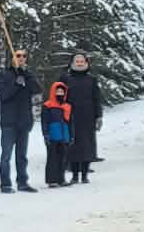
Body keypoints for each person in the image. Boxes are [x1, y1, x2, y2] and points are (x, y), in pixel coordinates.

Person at [0, 49, 39, 194]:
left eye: (24, 56)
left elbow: (37, 89)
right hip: (9, 122)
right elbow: (4, 95)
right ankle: (5, 184)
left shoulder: (27, 74)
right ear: (12, 57)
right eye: (18, 55)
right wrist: (16, 84)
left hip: (24, 121)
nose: (21, 58)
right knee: (6, 154)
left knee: (22, 155)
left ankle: (22, 182)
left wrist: (26, 76)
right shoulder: (2, 75)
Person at [61, 53, 103, 183]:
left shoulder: (91, 79)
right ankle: (74, 175)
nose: (79, 63)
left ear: (86, 63)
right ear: (72, 63)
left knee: (87, 146)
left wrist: (98, 116)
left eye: (81, 61)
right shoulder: (65, 79)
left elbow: (96, 99)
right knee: (73, 146)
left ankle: (84, 175)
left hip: (88, 117)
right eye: (77, 61)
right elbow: (60, 97)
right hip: (70, 116)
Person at [41, 81, 74, 186]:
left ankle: (61, 179)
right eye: (58, 91)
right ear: (53, 92)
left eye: (62, 92)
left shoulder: (67, 106)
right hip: (52, 135)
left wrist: (72, 136)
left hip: (64, 135)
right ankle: (52, 181)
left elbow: (70, 122)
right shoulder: (47, 105)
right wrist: (46, 134)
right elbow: (44, 121)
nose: (60, 93)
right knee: (52, 158)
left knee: (63, 158)